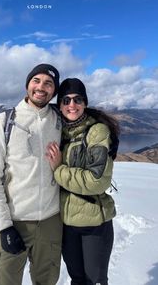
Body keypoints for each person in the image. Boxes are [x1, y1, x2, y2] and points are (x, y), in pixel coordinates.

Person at [0, 64, 63, 285]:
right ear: (27, 84)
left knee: (47, 281)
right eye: (36, 81)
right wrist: (4, 226)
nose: (41, 87)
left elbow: (84, 121)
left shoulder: (58, 120)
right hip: (14, 222)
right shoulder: (5, 121)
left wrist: (110, 137)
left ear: (54, 91)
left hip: (50, 222)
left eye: (48, 83)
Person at [46, 78, 119, 285]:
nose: (72, 105)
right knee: (77, 279)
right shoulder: (59, 133)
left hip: (94, 223)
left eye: (78, 99)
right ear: (59, 105)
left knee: (94, 280)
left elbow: (97, 181)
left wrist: (59, 169)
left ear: (85, 103)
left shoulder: (97, 132)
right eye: (66, 100)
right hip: (67, 224)